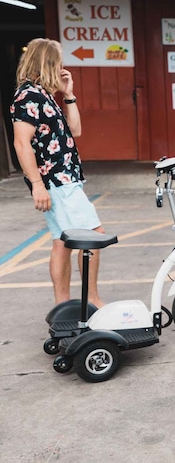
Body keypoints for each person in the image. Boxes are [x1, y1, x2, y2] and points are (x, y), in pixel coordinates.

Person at [10, 38, 106, 308]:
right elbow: (21, 142)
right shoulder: (28, 96)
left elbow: (75, 131)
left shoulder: (44, 96)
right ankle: (93, 301)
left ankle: (62, 307)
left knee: (62, 243)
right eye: (59, 61)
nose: (62, 66)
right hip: (57, 181)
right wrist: (37, 185)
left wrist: (69, 94)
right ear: (48, 63)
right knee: (93, 235)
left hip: (65, 179)